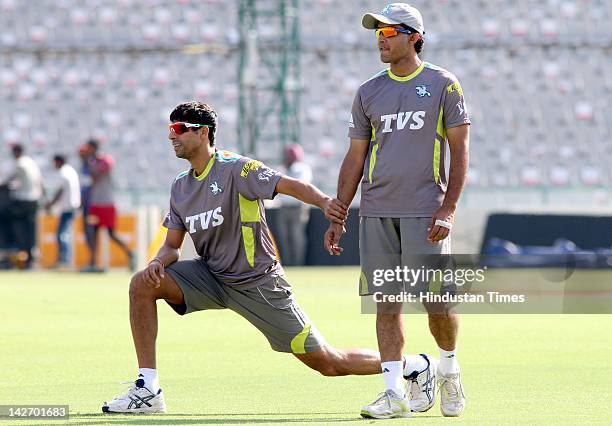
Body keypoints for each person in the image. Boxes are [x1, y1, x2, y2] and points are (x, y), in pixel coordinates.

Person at [102, 101, 415, 415]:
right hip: (211, 276)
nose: (172, 136)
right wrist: (158, 261)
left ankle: (411, 365)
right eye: (170, 129)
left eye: (179, 129)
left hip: (259, 283)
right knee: (142, 284)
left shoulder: (237, 169)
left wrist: (324, 203)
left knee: (329, 363)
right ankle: (148, 389)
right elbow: (172, 245)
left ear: (203, 133)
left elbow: (290, 185)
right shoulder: (180, 187)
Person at [324, 3, 471, 419]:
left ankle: (448, 367)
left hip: (425, 211)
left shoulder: (444, 84)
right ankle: (393, 393)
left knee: (436, 303)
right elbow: (355, 158)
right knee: (386, 302)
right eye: (377, 34)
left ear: (413, 37)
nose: (381, 40)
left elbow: (460, 152)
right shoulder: (368, 91)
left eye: (389, 32)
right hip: (376, 211)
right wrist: (339, 214)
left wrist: (449, 208)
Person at [81, 139, 134, 272]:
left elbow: (96, 175)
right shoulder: (91, 161)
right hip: (95, 204)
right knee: (92, 232)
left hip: (106, 204)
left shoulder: (105, 160)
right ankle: (93, 263)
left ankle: (131, 253)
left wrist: (89, 162)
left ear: (93, 148)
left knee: (111, 234)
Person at [2, 144, 43, 269]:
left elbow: (6, 180)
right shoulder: (31, 162)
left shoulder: (20, 163)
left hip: (22, 202)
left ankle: (9, 252)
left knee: (8, 223)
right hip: (34, 200)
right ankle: (31, 257)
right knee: (31, 230)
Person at [276, 143, 313, 266]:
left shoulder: (302, 168)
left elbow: (299, 186)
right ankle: (286, 263)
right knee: (284, 237)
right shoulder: (281, 168)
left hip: (298, 208)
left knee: (297, 237)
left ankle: (298, 263)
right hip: (283, 207)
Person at [44, 154, 81, 268]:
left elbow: (59, 191)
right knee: (64, 233)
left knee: (62, 234)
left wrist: (50, 204)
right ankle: (64, 259)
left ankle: (63, 260)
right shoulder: (71, 171)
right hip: (72, 206)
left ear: (59, 162)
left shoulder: (64, 173)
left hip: (67, 207)